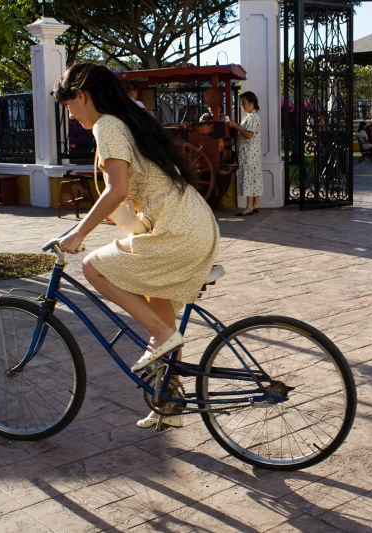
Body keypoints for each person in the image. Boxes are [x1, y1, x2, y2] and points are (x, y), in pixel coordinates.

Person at [54, 63, 219, 428]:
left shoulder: (107, 125)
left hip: (175, 229)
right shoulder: (128, 120)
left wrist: (78, 233)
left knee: (92, 267)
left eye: (68, 104)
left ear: (81, 95)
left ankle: (162, 336)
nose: (69, 113)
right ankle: (170, 402)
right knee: (158, 309)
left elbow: (118, 189)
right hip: (190, 222)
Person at [224, 91, 262, 216]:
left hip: (250, 153)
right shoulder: (249, 116)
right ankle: (255, 204)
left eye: (244, 102)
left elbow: (249, 135)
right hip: (250, 153)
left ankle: (249, 206)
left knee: (249, 178)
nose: (242, 105)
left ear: (251, 103)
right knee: (254, 177)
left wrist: (236, 126)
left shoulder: (253, 117)